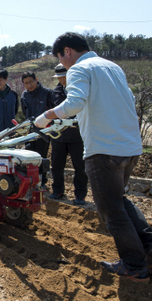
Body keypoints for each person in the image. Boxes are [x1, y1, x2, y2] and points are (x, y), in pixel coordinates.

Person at [36, 32, 152, 282]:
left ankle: (134, 264)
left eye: (60, 57)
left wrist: (47, 115)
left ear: (67, 51)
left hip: (103, 149)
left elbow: (74, 103)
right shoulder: (113, 68)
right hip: (129, 146)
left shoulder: (79, 69)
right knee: (119, 201)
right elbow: (125, 101)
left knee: (111, 211)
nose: (63, 64)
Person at [48, 63, 88, 205]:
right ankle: (57, 191)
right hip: (59, 136)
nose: (62, 80)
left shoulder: (78, 91)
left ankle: (80, 194)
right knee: (57, 166)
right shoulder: (55, 93)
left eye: (64, 76)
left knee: (80, 166)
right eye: (59, 77)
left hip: (77, 136)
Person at [20, 71, 55, 188]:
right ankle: (31, 181)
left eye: (31, 82)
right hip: (29, 131)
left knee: (41, 156)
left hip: (44, 131)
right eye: (26, 83)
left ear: (36, 79)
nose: (29, 85)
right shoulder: (24, 96)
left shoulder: (47, 93)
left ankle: (42, 181)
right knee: (28, 157)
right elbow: (25, 112)